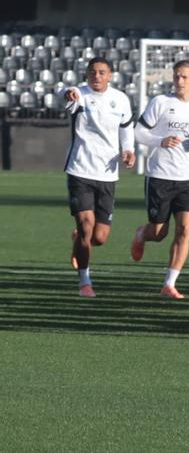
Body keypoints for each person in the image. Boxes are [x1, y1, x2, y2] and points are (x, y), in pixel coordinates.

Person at [130, 59, 189, 298]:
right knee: (159, 233)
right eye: (176, 76)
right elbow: (138, 132)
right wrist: (160, 140)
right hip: (160, 176)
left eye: (184, 77)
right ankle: (142, 233)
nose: (179, 81)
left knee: (184, 230)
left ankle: (169, 283)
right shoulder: (160, 102)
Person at [62, 57, 135, 297]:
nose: (97, 76)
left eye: (102, 72)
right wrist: (68, 92)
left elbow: (126, 128)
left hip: (107, 174)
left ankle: (79, 241)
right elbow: (65, 93)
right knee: (86, 225)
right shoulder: (79, 95)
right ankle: (85, 282)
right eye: (92, 72)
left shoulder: (120, 99)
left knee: (100, 237)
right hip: (80, 170)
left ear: (110, 75)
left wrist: (128, 151)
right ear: (86, 75)